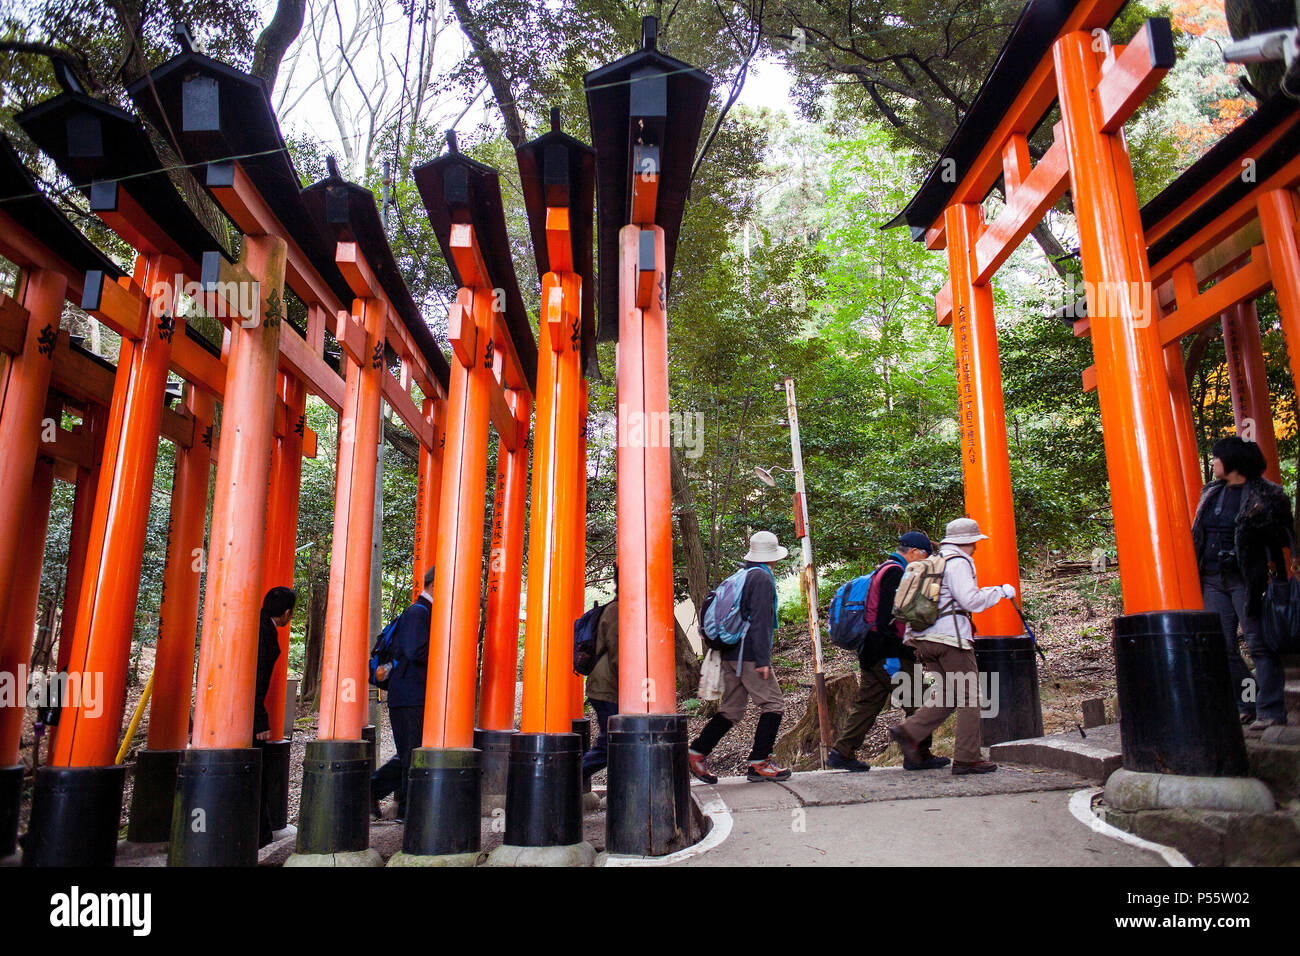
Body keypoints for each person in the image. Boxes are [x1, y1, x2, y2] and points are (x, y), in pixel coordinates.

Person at [888, 517, 1014, 775]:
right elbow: (971, 601)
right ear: (969, 542)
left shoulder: (933, 562)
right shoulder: (958, 562)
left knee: (947, 695)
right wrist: (1000, 592)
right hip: (949, 640)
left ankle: (908, 731)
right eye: (975, 542)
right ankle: (968, 757)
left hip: (923, 639)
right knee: (971, 697)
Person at [1191, 436, 1294, 733]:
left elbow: (1283, 537)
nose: (1213, 462)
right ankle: (1247, 702)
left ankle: (1271, 709)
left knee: (1259, 645)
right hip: (1212, 578)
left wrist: (1278, 573)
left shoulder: (1266, 494)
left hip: (1246, 580)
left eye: (1217, 457)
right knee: (1223, 646)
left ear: (1232, 461)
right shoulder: (1211, 493)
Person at [827, 531, 949, 772]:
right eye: (924, 556)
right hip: (887, 651)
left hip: (871, 650)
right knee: (920, 698)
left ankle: (841, 752)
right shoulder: (895, 572)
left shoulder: (884, 568)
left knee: (868, 704)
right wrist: (894, 655)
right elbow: (887, 618)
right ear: (913, 551)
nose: (924, 562)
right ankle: (919, 755)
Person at [688, 530, 793, 784]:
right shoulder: (762, 580)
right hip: (747, 654)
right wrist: (762, 660)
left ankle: (696, 753)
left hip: (729, 651)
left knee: (732, 709)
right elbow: (759, 622)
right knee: (773, 705)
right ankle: (760, 762)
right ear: (772, 557)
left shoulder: (742, 575)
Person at [370, 566, 434, 820]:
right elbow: (415, 651)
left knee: (411, 753)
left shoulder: (425, 612)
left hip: (412, 695)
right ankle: (399, 807)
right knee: (412, 754)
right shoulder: (418, 613)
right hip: (409, 695)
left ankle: (386, 798)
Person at [255, 586, 296, 849]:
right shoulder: (263, 632)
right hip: (247, 713)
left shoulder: (258, 624)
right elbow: (254, 677)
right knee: (256, 771)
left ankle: (263, 832)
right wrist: (260, 718)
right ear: (287, 613)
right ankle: (260, 834)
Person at [580, 586, 618, 785]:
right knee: (610, 743)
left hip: (605, 686)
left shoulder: (615, 608)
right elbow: (618, 654)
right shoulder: (616, 611)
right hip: (607, 688)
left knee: (611, 741)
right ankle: (568, 778)